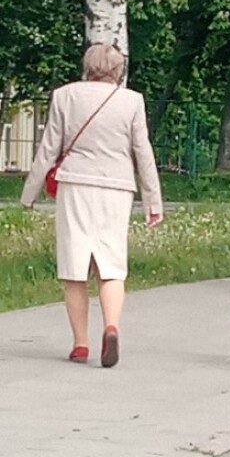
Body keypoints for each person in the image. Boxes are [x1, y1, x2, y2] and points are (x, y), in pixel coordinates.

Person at [20, 43, 163, 366]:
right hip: (117, 187)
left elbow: (48, 149)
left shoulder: (64, 95)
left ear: (87, 66)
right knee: (111, 264)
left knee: (74, 266)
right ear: (118, 70)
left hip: (75, 186)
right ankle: (111, 326)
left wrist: (30, 193)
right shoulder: (132, 101)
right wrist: (153, 200)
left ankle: (80, 344)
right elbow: (143, 153)